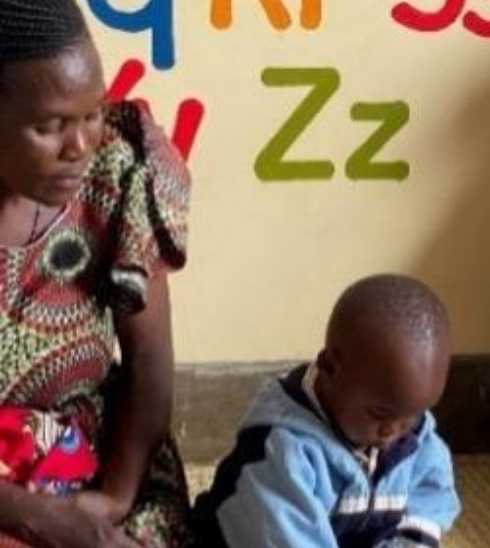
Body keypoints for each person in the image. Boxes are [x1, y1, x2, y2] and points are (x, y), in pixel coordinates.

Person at [0, 1, 194, 547]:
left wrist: (113, 498)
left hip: (94, 456)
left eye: (92, 115)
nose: (80, 146)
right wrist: (34, 515)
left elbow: (150, 364)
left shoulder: (117, 175)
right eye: (50, 126)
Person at [192, 274, 460, 548]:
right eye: (380, 414)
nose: (395, 433)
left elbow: (429, 496)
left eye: (413, 415)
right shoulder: (283, 453)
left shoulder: (413, 435)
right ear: (329, 369)